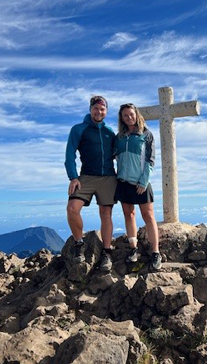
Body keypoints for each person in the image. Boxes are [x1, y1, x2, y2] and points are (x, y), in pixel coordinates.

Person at [65, 95, 117, 272]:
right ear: (90, 109)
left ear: (106, 111)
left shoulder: (110, 132)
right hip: (85, 176)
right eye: (96, 108)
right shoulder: (79, 129)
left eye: (102, 109)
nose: (99, 111)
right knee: (72, 208)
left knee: (106, 213)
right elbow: (69, 155)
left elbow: (120, 154)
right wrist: (73, 177)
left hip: (108, 177)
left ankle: (107, 252)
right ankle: (79, 244)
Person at [115, 103, 161, 270]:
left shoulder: (146, 134)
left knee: (148, 216)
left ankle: (156, 252)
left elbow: (150, 160)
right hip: (123, 183)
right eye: (125, 115)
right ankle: (134, 248)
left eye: (131, 114)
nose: (129, 117)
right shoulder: (119, 137)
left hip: (141, 183)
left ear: (137, 114)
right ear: (122, 118)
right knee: (129, 214)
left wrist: (143, 181)